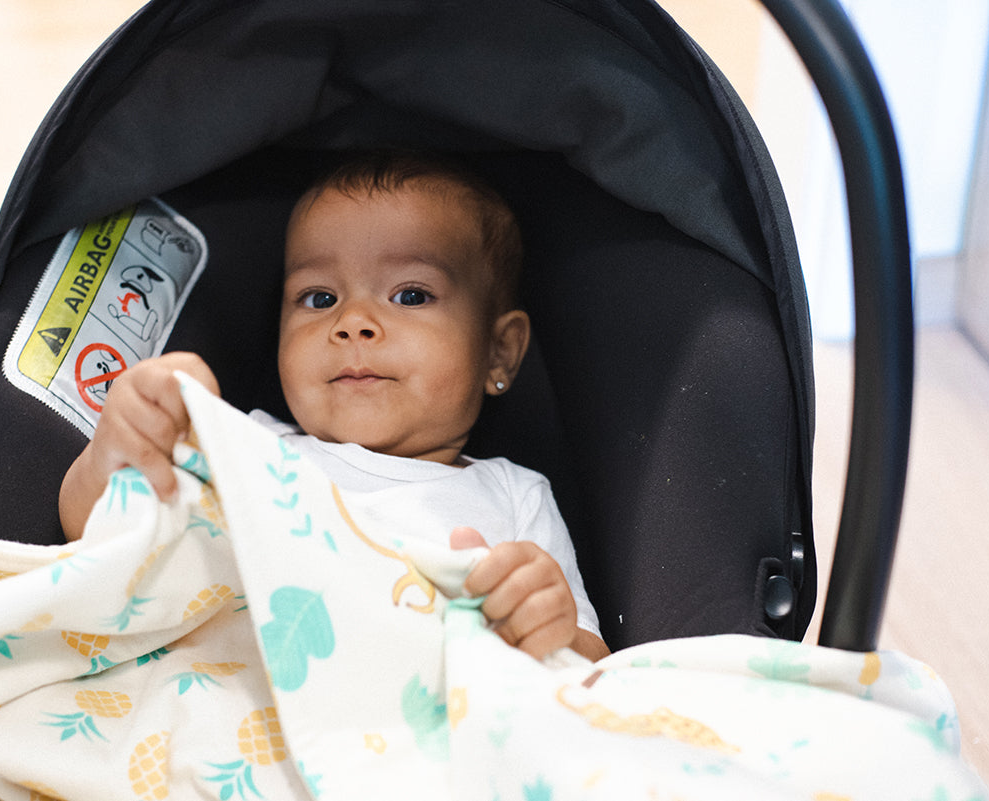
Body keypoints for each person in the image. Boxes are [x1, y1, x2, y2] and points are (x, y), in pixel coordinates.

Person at [59, 152, 610, 662]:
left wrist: (547, 626)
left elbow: (597, 671)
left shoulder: (514, 496)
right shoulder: (244, 447)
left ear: (499, 352)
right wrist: (121, 447)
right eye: (319, 298)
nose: (353, 322)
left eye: (410, 295)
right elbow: (94, 537)